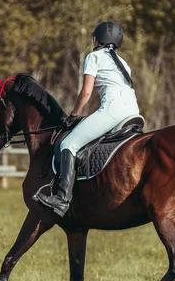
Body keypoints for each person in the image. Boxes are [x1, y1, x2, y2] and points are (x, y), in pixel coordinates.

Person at [34, 20, 140, 217]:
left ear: (98, 39)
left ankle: (61, 199)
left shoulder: (94, 57)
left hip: (112, 110)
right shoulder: (123, 63)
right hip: (133, 111)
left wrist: (74, 114)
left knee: (68, 144)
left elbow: (86, 92)